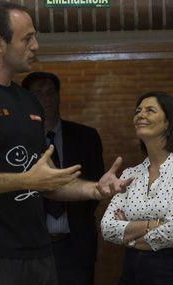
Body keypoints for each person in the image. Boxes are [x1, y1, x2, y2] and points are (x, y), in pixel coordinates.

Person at [0, 2, 130, 284]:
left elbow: (46, 180)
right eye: (27, 38)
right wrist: (25, 180)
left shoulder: (28, 102)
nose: (36, 45)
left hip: (38, 256)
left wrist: (95, 189)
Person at [101, 92, 173, 285]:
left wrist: (128, 237)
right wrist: (155, 223)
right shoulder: (130, 174)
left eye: (150, 110)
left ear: (168, 123)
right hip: (132, 268)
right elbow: (107, 228)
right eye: (138, 110)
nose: (140, 115)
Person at [22, 72, 104, 285]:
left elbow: (95, 188)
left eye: (51, 92)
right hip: (32, 246)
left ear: (59, 96)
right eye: (38, 93)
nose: (46, 98)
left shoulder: (86, 137)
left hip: (75, 244)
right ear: (28, 99)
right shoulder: (20, 139)